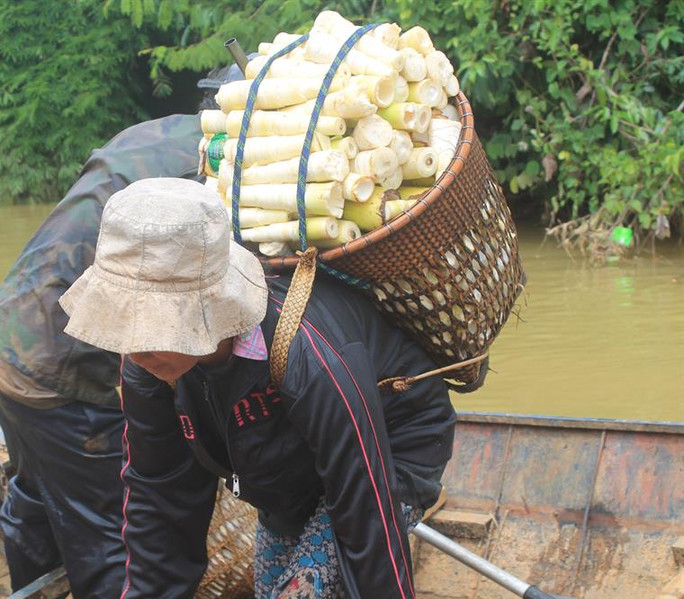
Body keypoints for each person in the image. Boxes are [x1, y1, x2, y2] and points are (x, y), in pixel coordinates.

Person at [59, 178, 457, 598]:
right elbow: (159, 499)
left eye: (151, 325)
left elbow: (367, 515)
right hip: (283, 468)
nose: (133, 347)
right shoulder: (148, 364)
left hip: (388, 450)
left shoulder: (306, 352)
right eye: (125, 323)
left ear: (206, 307)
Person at [0, 115, 204, 597]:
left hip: (5, 335)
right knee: (112, 539)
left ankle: (30, 586)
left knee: (36, 490)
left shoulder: (152, 132)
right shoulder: (210, 169)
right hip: (66, 368)